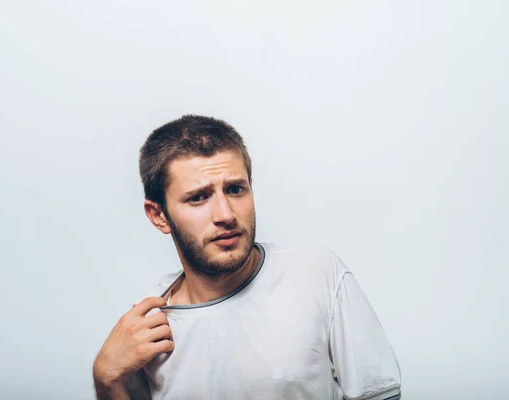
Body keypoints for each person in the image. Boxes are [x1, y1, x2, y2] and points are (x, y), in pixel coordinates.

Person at [92, 115, 402, 400]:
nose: (225, 214)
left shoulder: (316, 274)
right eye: (199, 197)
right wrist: (106, 379)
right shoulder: (147, 330)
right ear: (158, 215)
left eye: (236, 189)